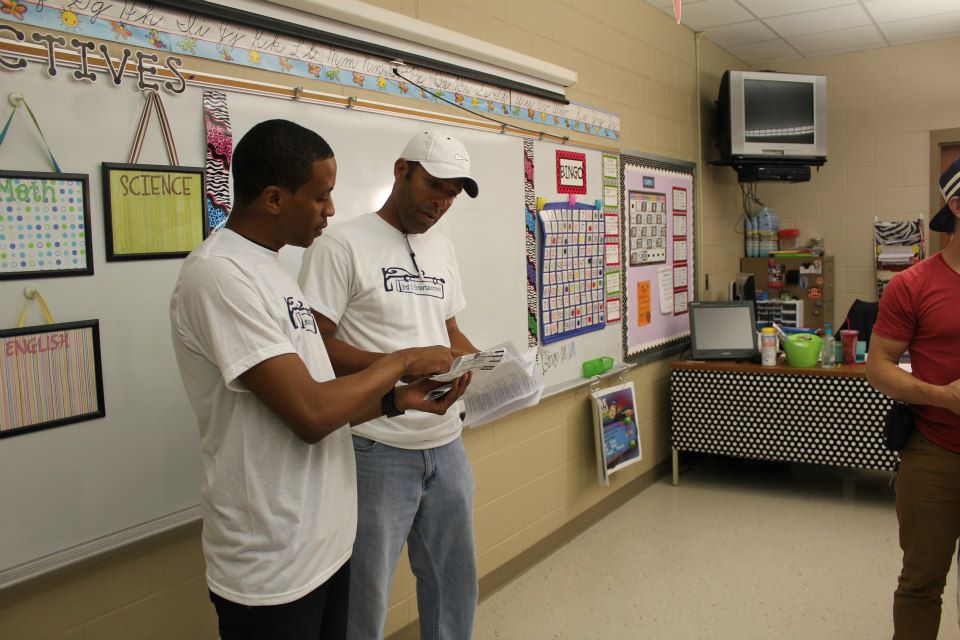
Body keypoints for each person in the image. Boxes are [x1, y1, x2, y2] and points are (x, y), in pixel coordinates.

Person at [169, 119, 468, 640]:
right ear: (274, 199)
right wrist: (398, 364)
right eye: (321, 196)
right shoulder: (219, 276)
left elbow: (322, 392)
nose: (331, 208)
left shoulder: (273, 269)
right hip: (272, 562)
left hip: (321, 542)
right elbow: (310, 413)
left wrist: (399, 399)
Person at [299, 129, 481, 640]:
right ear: (402, 171)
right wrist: (398, 365)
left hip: (446, 446)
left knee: (454, 584)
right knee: (365, 594)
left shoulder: (442, 247)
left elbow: (448, 329)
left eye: (451, 194)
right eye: (435, 186)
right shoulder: (340, 243)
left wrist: (474, 358)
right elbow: (315, 344)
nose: (441, 202)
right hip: (375, 446)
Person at [866, 157, 960, 640]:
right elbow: (877, 367)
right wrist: (941, 396)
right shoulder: (913, 285)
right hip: (934, 455)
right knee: (921, 584)